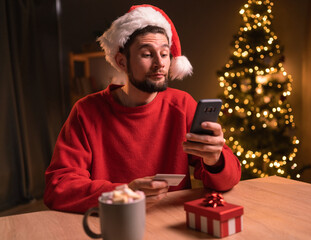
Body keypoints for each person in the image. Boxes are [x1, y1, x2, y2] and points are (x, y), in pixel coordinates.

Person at [44, 4, 241, 213]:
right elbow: (59, 187)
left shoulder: (182, 105)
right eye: (147, 54)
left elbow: (228, 180)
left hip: (171, 222)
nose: (159, 64)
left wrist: (215, 160)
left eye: (164, 54)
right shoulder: (86, 111)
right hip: (114, 224)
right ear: (122, 62)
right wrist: (124, 194)